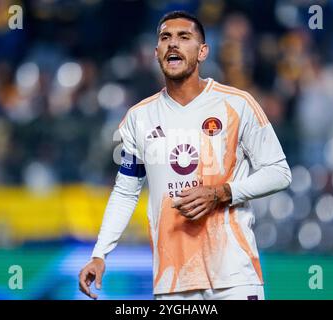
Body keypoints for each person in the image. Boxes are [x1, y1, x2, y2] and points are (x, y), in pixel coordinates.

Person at [79, 10, 291, 300]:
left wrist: (221, 192)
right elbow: (126, 191)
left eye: (184, 37)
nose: (173, 44)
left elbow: (279, 172)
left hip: (233, 275)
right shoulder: (138, 118)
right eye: (165, 38)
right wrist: (100, 254)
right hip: (172, 281)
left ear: (202, 51)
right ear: (156, 52)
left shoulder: (238, 105)